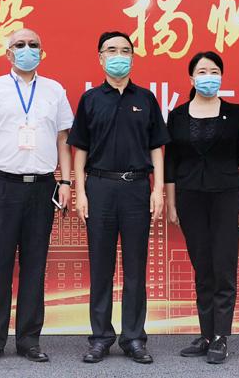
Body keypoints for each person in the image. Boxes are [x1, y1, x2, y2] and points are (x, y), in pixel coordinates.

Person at [0, 28, 74, 364]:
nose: (27, 49)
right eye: (20, 44)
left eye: (33, 44)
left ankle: (29, 340)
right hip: (2, 185)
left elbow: (63, 139)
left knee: (35, 266)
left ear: (42, 52)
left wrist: (65, 181)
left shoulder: (54, 90)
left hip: (42, 187)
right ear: (8, 53)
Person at [69, 31, 170, 365]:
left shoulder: (146, 98)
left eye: (125, 50)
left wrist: (157, 189)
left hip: (136, 188)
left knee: (135, 267)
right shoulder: (90, 99)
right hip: (99, 187)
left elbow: (156, 147)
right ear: (100, 57)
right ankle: (100, 338)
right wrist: (80, 192)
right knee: (101, 267)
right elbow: (80, 148)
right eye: (111, 50)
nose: (118, 56)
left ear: (132, 57)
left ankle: (134, 338)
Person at [164, 51, 239, 365]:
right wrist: (171, 203)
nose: (208, 77)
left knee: (223, 268)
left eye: (214, 71)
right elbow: (171, 164)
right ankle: (206, 334)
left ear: (221, 76)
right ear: (191, 78)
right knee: (202, 268)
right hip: (190, 199)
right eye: (202, 71)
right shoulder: (177, 115)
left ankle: (221, 336)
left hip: (226, 198)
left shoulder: (235, 112)